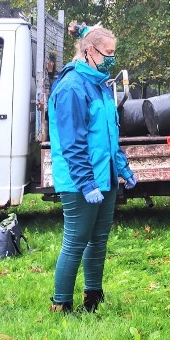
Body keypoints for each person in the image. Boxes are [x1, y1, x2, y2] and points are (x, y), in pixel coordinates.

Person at [47, 21, 137, 313]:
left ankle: (93, 297)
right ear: (89, 51)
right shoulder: (73, 87)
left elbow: (109, 135)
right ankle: (61, 304)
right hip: (79, 182)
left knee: (98, 240)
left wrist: (121, 167)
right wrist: (87, 183)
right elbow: (72, 144)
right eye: (107, 52)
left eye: (114, 53)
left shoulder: (99, 85)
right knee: (75, 242)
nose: (111, 58)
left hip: (105, 177)